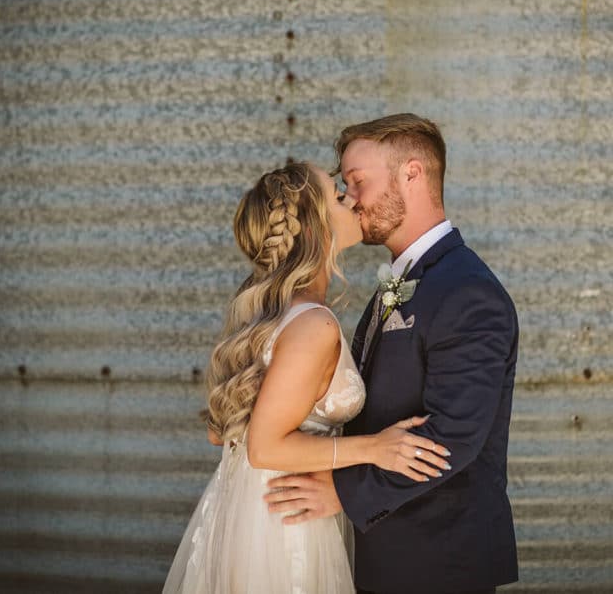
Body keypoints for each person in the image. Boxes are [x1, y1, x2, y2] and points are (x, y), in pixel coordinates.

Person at [162, 161, 451, 594]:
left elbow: (219, 434)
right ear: (314, 229)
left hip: (248, 509)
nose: (352, 199)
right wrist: (374, 448)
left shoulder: (265, 317)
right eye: (338, 196)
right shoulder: (313, 325)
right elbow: (263, 446)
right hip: (286, 524)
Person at [264, 115, 520, 594]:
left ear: (412, 174)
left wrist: (342, 492)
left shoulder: (467, 292)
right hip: (390, 551)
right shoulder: (400, 282)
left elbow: (454, 436)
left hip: (436, 559)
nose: (350, 199)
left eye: (358, 182)